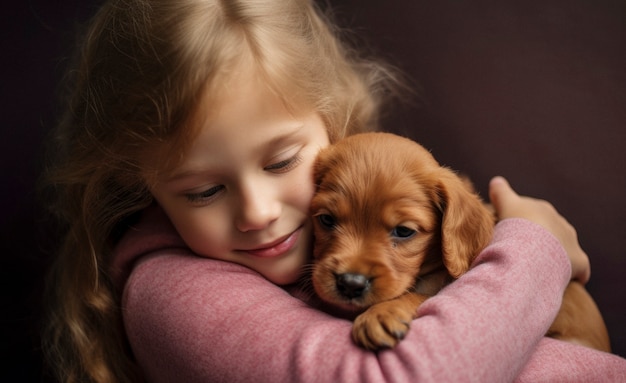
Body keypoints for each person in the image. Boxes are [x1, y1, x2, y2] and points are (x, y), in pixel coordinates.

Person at [41, 0, 626, 382]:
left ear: (330, 126)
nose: (259, 213)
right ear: (137, 183)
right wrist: (535, 247)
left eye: (283, 162)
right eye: (201, 191)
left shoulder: (386, 189)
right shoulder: (176, 292)